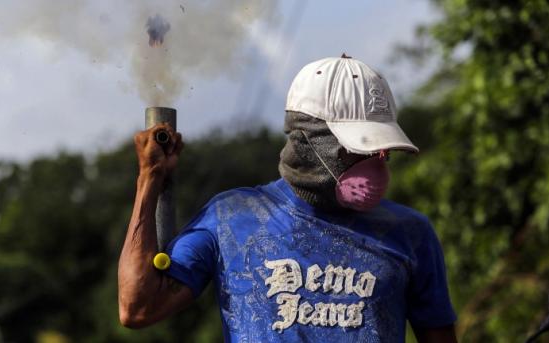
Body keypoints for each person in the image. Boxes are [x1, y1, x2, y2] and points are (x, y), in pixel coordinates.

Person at [118, 56, 458, 342]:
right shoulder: (232, 218)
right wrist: (150, 178)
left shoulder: (411, 234)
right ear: (309, 140)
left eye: (381, 150)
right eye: (359, 149)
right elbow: (138, 308)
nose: (378, 163)